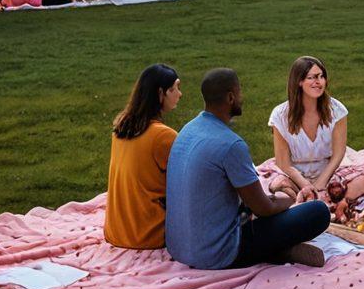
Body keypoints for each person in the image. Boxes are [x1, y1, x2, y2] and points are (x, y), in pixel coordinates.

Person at [165, 68, 330, 269]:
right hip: (217, 253)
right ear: (230, 97)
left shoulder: (187, 130)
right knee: (317, 213)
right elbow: (263, 208)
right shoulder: (231, 145)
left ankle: (279, 250)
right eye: (239, 92)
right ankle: (279, 251)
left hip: (179, 246)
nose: (242, 97)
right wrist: (291, 199)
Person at [264, 56, 364, 213]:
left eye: (321, 77)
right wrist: (307, 186)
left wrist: (320, 184)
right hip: (294, 174)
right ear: (299, 82)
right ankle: (315, 201)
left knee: (362, 180)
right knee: (278, 186)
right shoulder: (280, 115)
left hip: (327, 172)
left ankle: (333, 202)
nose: (319, 82)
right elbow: (283, 163)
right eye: (312, 77)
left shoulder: (337, 110)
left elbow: (338, 154)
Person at [104, 64, 182, 249]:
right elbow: (187, 183)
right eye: (174, 88)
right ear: (160, 93)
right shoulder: (163, 136)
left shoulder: (121, 128)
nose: (179, 94)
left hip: (116, 231)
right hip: (149, 234)